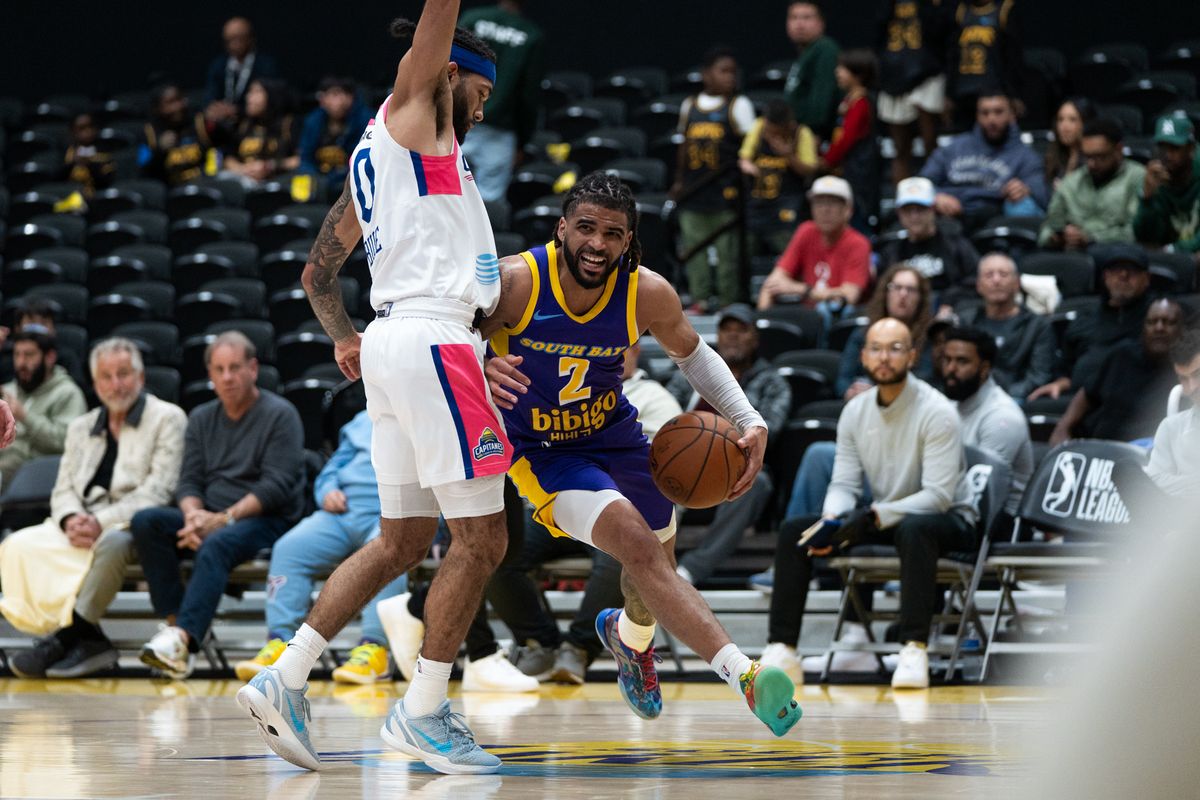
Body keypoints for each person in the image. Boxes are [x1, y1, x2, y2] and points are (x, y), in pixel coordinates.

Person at [236, 4, 510, 776]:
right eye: (481, 95)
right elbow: (437, 24)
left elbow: (317, 272)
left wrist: (347, 337)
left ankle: (285, 677)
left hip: (392, 342)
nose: (484, 111)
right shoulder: (417, 111)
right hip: (433, 339)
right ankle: (423, 711)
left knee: (402, 541)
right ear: (449, 76)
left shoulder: (384, 161)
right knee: (483, 540)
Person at [484, 172, 802, 732]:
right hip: (542, 451)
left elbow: (693, 353)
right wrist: (476, 365)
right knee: (636, 543)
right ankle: (744, 675)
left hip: (617, 435)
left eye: (613, 233)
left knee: (654, 571)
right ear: (562, 229)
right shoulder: (514, 282)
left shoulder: (646, 291)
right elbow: (443, 335)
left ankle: (631, 641)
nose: (597, 244)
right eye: (585, 228)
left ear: (628, 241)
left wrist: (748, 418)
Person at [761, 318, 978, 689]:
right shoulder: (855, 412)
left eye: (895, 348)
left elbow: (939, 496)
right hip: (885, 516)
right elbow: (844, 483)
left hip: (949, 521)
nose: (884, 357)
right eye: (876, 348)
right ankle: (783, 648)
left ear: (912, 356)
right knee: (796, 531)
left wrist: (874, 515)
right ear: (863, 356)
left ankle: (914, 647)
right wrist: (833, 516)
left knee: (914, 528)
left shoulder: (938, 411)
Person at [493, 342, 682, 685]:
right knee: (500, 549)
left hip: (624, 510)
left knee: (623, 554)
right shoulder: (553, 383)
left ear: (634, 350)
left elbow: (670, 464)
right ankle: (540, 642)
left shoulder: (654, 396)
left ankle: (579, 649)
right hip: (568, 492)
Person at [0, 338, 186, 679]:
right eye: (106, 376)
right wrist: (71, 519)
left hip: (130, 526)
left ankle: (65, 638)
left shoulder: (167, 418)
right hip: (79, 523)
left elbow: (159, 491)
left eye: (124, 374)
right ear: (95, 382)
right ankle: (90, 639)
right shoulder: (81, 426)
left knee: (113, 544)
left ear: (141, 377)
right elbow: (63, 490)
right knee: (15, 546)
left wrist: (99, 521)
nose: (116, 384)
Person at [132, 332, 304, 679]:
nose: (227, 377)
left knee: (216, 544)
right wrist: (194, 515)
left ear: (253, 369)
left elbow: (276, 486)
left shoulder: (281, 415)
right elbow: (189, 480)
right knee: (146, 522)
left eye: (235, 367)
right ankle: (175, 627)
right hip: (210, 514)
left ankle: (182, 638)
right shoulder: (200, 417)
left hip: (268, 518)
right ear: (209, 374)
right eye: (219, 369)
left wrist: (224, 519)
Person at [232, 410, 406, 685]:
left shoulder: (429, 409)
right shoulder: (361, 418)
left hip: (396, 510)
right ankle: (280, 642)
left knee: (392, 547)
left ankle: (374, 649)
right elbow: (332, 469)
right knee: (289, 548)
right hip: (342, 511)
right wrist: (327, 491)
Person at [666, 304, 791, 586]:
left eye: (741, 330)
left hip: (737, 471)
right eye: (726, 330)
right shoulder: (690, 372)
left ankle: (689, 572)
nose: (733, 336)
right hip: (686, 465)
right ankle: (649, 563)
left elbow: (773, 426)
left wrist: (719, 434)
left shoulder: (771, 381)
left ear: (755, 339)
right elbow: (666, 410)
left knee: (757, 483)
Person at [671, 46, 756, 311]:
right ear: (706, 74)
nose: (730, 77)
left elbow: (750, 147)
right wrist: (678, 180)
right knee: (694, 252)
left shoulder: (739, 105)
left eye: (733, 71)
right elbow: (684, 147)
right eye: (723, 71)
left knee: (727, 254)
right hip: (695, 191)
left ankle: (728, 302)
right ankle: (701, 300)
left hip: (726, 193)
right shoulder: (690, 105)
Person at [1028, 243, 1154, 405]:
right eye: (1116, 269)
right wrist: (1060, 383)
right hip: (1079, 396)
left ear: (1147, 278)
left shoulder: (1158, 318)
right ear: (1105, 276)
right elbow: (1067, 364)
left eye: (1132, 270)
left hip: (1134, 399)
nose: (1123, 275)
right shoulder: (1086, 316)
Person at [1050, 298, 1184, 445]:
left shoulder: (1189, 369)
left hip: (1148, 456)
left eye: (1168, 322)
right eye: (1152, 322)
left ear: (1182, 329)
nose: (1159, 328)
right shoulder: (1122, 355)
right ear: (1143, 327)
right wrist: (1063, 427)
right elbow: (1087, 394)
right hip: (1101, 449)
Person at [939, 326, 1033, 519]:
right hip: (954, 508)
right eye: (947, 360)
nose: (950, 369)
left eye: (961, 361)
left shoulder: (1002, 417)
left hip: (1000, 520)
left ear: (984, 369)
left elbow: (983, 493)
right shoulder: (947, 404)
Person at [920, 92, 1048, 232]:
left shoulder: (1025, 156)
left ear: (1012, 115)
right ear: (977, 116)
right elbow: (922, 182)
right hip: (946, 215)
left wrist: (1025, 188)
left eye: (998, 112)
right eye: (985, 113)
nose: (991, 119)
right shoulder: (954, 147)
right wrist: (936, 196)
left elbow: (1041, 190)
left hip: (992, 218)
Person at [458, 0, 545, 203]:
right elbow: (529, 96)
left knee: (439, 195)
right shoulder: (530, 35)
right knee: (488, 207)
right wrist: (523, 141)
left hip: (456, 123)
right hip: (499, 133)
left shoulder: (473, 18)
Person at [756, 176, 872, 327]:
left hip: (842, 323)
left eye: (832, 203)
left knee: (828, 310)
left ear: (848, 210)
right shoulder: (806, 231)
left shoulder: (859, 243)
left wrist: (802, 289)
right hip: (809, 318)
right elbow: (771, 284)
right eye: (819, 203)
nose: (825, 210)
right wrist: (761, 322)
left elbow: (848, 297)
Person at [953, 253, 1055, 401]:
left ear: (1017, 283)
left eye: (1003, 274)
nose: (996, 280)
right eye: (989, 275)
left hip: (1016, 399)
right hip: (970, 397)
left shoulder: (1038, 325)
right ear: (978, 286)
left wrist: (999, 398)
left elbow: (1038, 377)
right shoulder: (966, 322)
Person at [1039, 117, 1147, 250]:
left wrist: (1091, 238)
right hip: (1075, 257)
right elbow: (1046, 230)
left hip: (1117, 256)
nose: (1092, 164)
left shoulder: (1137, 177)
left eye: (1100, 157)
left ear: (1118, 150)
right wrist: (1056, 238)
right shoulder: (1072, 183)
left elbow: (1138, 232)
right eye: (1087, 157)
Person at [875, 0, 953, 182]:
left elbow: (943, 34)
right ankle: (902, 199)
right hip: (894, 75)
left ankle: (933, 192)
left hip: (927, 73)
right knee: (900, 148)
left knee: (930, 144)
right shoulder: (888, 6)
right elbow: (878, 34)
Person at [0, 330, 87, 488]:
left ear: (50, 357)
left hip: (37, 473)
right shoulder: (8, 390)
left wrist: (24, 416)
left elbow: (67, 442)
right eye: (17, 355)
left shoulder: (68, 393)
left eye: (29, 355)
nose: (21, 363)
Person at [878, 176, 980, 308]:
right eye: (908, 210)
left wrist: (949, 302)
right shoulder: (891, 253)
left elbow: (974, 281)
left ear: (932, 209)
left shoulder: (956, 244)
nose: (914, 216)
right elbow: (882, 293)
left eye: (920, 209)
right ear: (899, 213)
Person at [836, 262, 934, 399]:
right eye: (897, 287)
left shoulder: (929, 337)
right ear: (886, 293)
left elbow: (925, 380)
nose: (903, 294)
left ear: (920, 298)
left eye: (911, 289)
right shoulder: (863, 334)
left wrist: (877, 393)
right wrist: (850, 391)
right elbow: (843, 379)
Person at [738, 99, 819, 257]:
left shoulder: (802, 133)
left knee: (789, 252)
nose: (770, 135)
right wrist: (747, 165)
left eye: (775, 132)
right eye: (769, 130)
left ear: (788, 126)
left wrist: (788, 155)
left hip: (787, 205)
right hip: (758, 203)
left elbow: (809, 170)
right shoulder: (759, 126)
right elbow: (744, 157)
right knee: (742, 253)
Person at [821, 49, 879, 233]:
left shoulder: (861, 104)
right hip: (848, 170)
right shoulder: (849, 100)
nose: (837, 72)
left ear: (859, 74)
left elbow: (847, 139)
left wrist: (826, 161)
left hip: (859, 174)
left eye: (842, 68)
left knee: (858, 219)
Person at [945, 0, 1023, 132]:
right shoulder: (960, 11)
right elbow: (951, 56)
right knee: (966, 140)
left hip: (995, 91)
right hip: (964, 93)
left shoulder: (1004, 9)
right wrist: (948, 94)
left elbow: (1013, 58)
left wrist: (1014, 95)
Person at [1134, 115, 1200, 260]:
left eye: (1175, 148)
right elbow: (1145, 237)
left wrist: (1171, 250)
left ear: (1191, 148)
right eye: (1162, 147)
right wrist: (1147, 198)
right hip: (1168, 257)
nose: (1167, 155)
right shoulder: (1156, 175)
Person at [1143, 328, 1200, 496]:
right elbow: (1154, 484)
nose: (1192, 387)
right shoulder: (1171, 427)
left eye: (1198, 374)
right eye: (1183, 378)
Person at [297, 77, 373, 198]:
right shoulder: (313, 121)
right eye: (331, 95)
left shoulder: (366, 120)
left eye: (339, 94)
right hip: (319, 178)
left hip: (351, 180)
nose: (337, 100)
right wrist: (313, 176)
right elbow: (305, 157)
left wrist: (335, 179)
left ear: (350, 97)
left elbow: (365, 161)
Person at [217, 78, 298, 187]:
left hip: (277, 180)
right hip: (244, 179)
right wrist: (242, 169)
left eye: (256, 92)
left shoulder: (287, 124)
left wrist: (270, 166)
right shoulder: (243, 125)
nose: (249, 98)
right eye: (249, 92)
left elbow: (300, 160)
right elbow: (228, 158)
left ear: (271, 95)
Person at [204, 16, 280, 126]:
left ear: (250, 38)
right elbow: (209, 96)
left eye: (239, 38)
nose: (234, 44)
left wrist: (238, 110)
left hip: (254, 123)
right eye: (229, 39)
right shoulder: (218, 66)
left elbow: (272, 100)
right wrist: (215, 108)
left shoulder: (265, 65)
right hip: (222, 124)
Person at [783, 1, 841, 139]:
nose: (799, 24)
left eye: (807, 17)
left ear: (821, 23)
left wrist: (813, 132)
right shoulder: (808, 52)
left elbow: (822, 98)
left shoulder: (825, 50)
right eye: (794, 17)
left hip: (815, 136)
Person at [139, 83, 215, 187]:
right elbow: (143, 168)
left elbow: (218, 152)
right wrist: (159, 150)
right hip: (170, 191)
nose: (178, 106)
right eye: (170, 103)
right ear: (157, 108)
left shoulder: (199, 122)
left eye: (179, 99)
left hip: (204, 185)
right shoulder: (149, 133)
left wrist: (210, 174)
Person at [1044, 97, 1096, 189]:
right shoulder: (1053, 159)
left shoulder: (1093, 162)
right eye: (1060, 119)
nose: (1064, 127)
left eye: (1072, 120)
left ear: (1085, 123)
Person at [63, 111, 115, 197]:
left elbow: (107, 182)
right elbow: (56, 181)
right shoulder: (66, 152)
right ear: (73, 131)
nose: (88, 131)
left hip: (99, 197)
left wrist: (89, 164)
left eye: (91, 126)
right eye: (82, 128)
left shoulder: (105, 152)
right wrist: (73, 163)